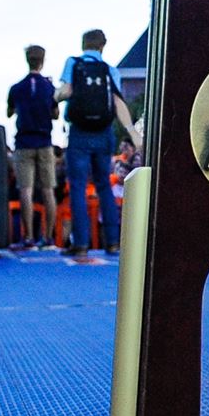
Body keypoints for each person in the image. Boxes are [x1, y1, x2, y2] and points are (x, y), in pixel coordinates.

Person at [54, 29, 142, 257]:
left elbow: (66, 90)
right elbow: (117, 101)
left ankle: (81, 243)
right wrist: (132, 131)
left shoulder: (73, 63)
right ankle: (113, 242)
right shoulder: (109, 70)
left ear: (83, 45)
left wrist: (54, 98)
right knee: (104, 185)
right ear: (103, 46)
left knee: (77, 186)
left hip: (79, 134)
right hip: (103, 133)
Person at [7, 45, 59, 249]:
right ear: (42, 61)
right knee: (48, 190)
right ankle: (48, 237)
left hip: (23, 143)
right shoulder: (49, 87)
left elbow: (9, 112)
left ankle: (28, 237)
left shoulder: (17, 87)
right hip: (44, 142)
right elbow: (55, 114)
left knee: (25, 190)